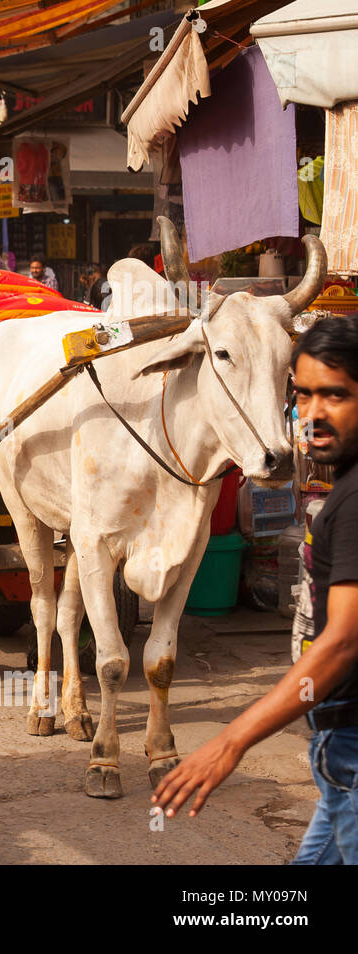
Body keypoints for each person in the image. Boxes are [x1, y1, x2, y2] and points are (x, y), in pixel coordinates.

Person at [153, 316, 358, 864]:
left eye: (335, 395)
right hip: (337, 749)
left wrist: (231, 739)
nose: (313, 414)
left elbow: (343, 643)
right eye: (304, 393)